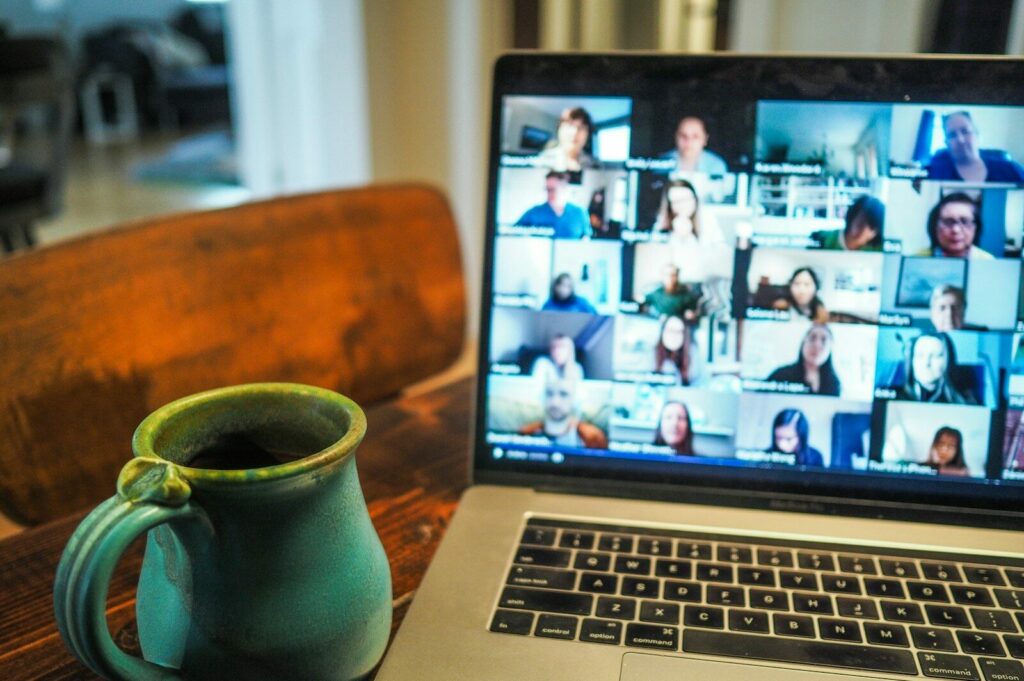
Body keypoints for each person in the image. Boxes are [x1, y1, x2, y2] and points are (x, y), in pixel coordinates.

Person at [652, 178, 726, 280]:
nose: (682, 205)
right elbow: (661, 262)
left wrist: (689, 238)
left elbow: (720, 257)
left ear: (695, 199)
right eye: (676, 201)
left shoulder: (708, 219)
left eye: (686, 199)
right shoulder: (661, 224)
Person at [926, 111, 1024, 183]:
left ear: (977, 135)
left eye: (965, 131)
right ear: (946, 143)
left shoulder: (1010, 169)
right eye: (952, 135)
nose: (960, 140)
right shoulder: (934, 174)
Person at [518, 377, 608, 448]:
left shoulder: (593, 437)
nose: (555, 402)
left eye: (563, 394)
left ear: (575, 400)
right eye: (549, 394)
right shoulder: (527, 433)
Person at [895, 332, 978, 404]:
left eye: (935, 356)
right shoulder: (895, 397)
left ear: (948, 360)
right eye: (920, 356)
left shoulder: (964, 401)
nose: (926, 363)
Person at [767, 324, 842, 396]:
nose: (817, 345)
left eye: (824, 340)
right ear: (803, 342)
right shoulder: (780, 375)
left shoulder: (834, 383)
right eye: (812, 338)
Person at [916, 192, 993, 259]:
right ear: (935, 226)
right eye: (948, 222)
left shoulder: (987, 261)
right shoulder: (917, 259)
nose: (956, 230)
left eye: (964, 221)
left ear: (976, 227)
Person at [515, 171, 591, 239]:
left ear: (564, 188)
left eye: (552, 189)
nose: (549, 193)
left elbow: (585, 239)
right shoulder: (534, 213)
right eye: (547, 189)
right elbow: (513, 233)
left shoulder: (579, 213)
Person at [811, 195, 885, 251]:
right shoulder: (823, 240)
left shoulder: (879, 251)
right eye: (861, 223)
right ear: (852, 217)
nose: (864, 231)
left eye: (871, 227)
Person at [660, 116, 728, 176]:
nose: (688, 141)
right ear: (676, 137)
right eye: (683, 135)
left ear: (705, 139)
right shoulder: (661, 162)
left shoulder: (716, 165)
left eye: (695, 136)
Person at [537, 107, 596, 172]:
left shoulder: (595, 165)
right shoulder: (541, 161)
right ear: (559, 129)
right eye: (570, 125)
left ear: (588, 134)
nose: (574, 132)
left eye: (580, 128)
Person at [654, 315, 691, 385]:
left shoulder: (691, 356)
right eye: (670, 330)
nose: (674, 335)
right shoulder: (652, 355)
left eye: (678, 332)